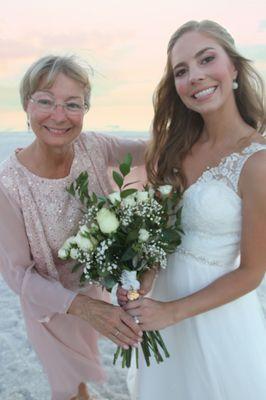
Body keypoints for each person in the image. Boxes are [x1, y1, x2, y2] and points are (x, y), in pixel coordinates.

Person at [118, 20, 266, 399]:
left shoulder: (257, 162)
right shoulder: (173, 149)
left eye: (206, 59)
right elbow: (161, 233)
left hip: (215, 321)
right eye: (181, 71)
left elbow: (251, 273)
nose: (195, 76)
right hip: (160, 315)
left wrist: (172, 312)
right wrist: (144, 278)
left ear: (233, 67)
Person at [0, 55, 145, 400]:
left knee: (80, 385)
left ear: (86, 109)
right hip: (50, 306)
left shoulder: (95, 147)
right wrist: (86, 308)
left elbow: (159, 153)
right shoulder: (8, 183)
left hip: (96, 291)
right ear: (26, 104)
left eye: (72, 104)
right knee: (65, 387)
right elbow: (19, 276)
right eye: (46, 101)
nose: (59, 115)